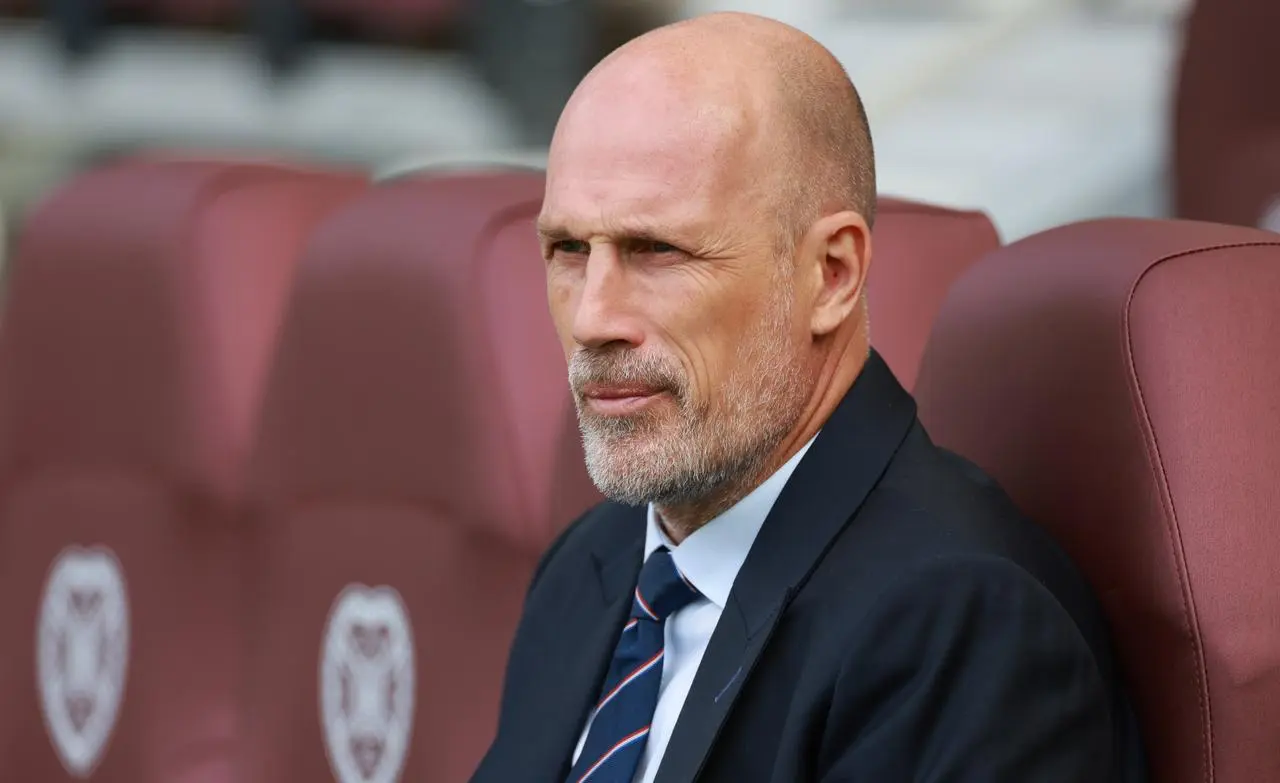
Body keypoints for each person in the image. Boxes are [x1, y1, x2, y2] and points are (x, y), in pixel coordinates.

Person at [471, 11, 1148, 783]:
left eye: (655, 249)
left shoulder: (963, 623)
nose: (593, 317)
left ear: (831, 274)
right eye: (566, 249)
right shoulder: (591, 564)